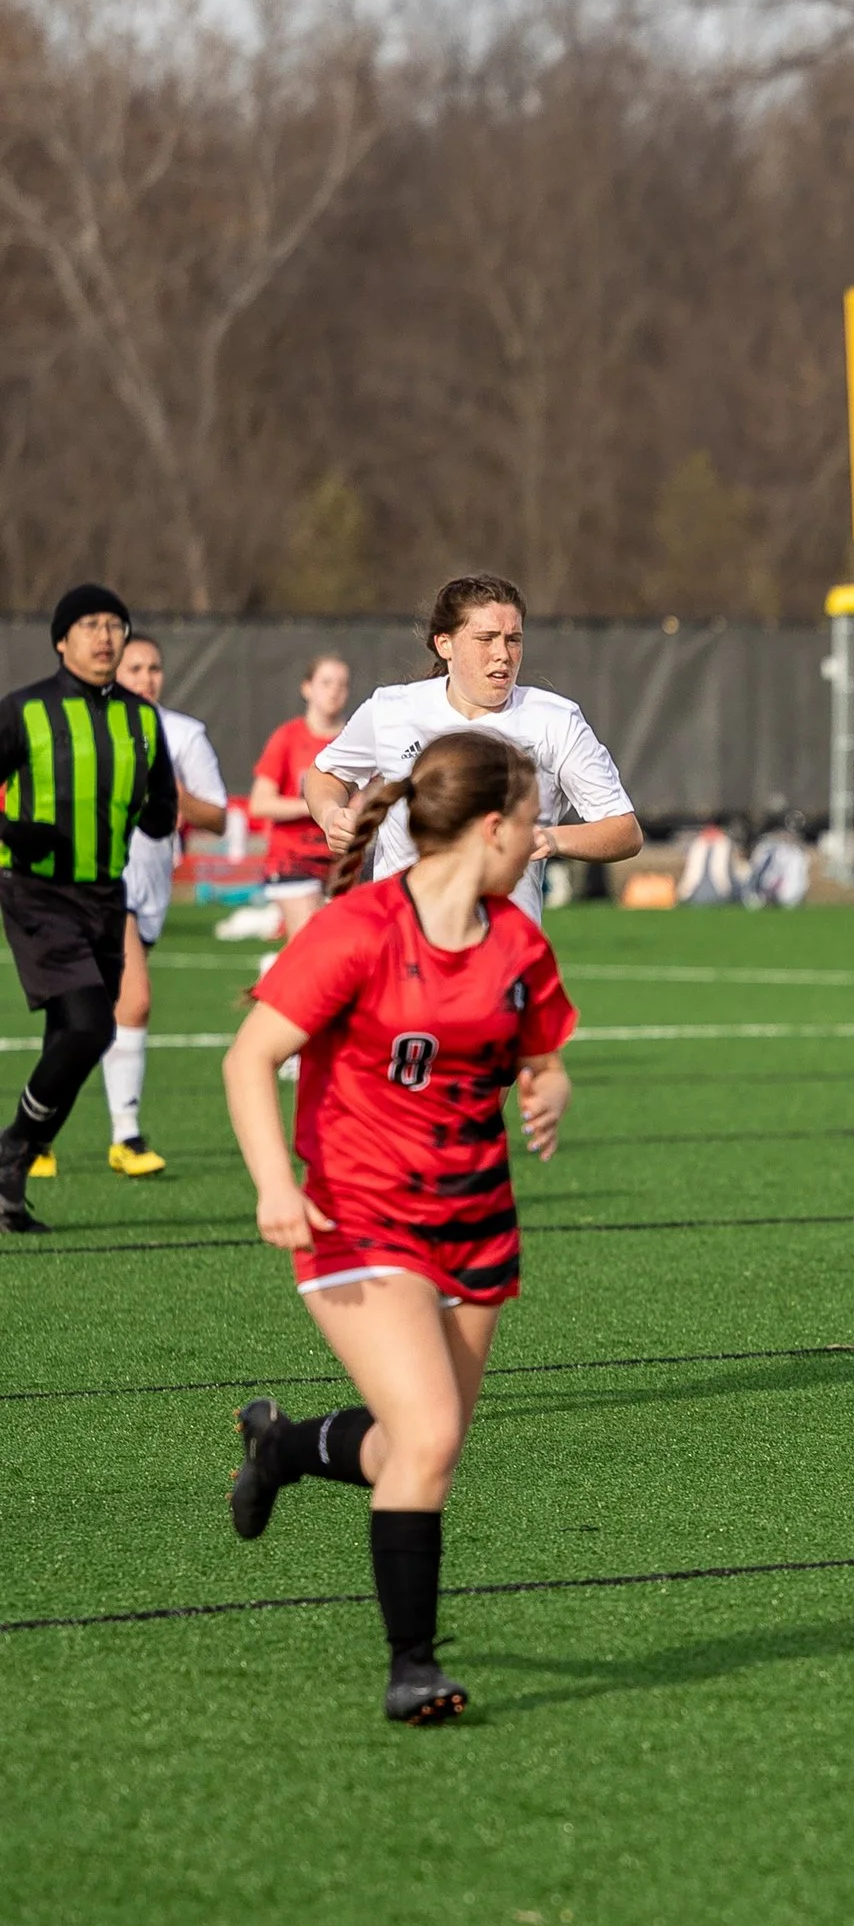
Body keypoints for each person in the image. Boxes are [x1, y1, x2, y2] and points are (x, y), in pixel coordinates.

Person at [220, 729, 576, 1725]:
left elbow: (543, 1055)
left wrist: (550, 1092)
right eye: (534, 817)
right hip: (357, 1216)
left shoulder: (517, 940)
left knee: (425, 1447)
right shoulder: (359, 929)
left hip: (476, 1217)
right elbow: (249, 1060)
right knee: (424, 1436)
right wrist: (272, 1187)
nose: (541, 835)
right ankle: (412, 1667)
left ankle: (284, 1449)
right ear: (494, 827)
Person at [305, 575, 639, 920]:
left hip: (501, 952)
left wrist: (550, 840)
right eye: (486, 638)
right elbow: (326, 774)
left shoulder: (555, 720)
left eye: (513, 640)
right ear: (445, 644)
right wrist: (330, 814)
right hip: (401, 942)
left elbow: (624, 830)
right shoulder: (391, 710)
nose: (503, 655)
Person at [0, 585, 177, 1235]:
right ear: (61, 639)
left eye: (115, 625)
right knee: (89, 1026)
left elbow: (160, 800)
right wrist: (13, 831)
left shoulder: (141, 717)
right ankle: (13, 1145)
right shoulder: (24, 711)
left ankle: (8, 1190)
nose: (105, 636)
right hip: (37, 892)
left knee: (66, 1039)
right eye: (90, 624)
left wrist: (162, 812)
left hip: (107, 894)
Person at [86, 629, 230, 1178]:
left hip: (151, 891)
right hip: (98, 883)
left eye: (154, 668)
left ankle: (37, 1132)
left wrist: (172, 791)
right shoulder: (89, 726)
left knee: (85, 1011)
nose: (146, 678)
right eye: (134, 669)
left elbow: (217, 816)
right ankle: (127, 1135)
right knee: (135, 998)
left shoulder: (183, 734)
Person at [248, 647, 354, 944]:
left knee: (343, 950)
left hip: (343, 863)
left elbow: (368, 799)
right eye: (326, 682)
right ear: (307, 688)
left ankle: (278, 979)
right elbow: (259, 804)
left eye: (342, 684)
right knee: (311, 941)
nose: (334, 691)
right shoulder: (288, 738)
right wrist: (319, 804)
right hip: (292, 861)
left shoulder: (355, 741)